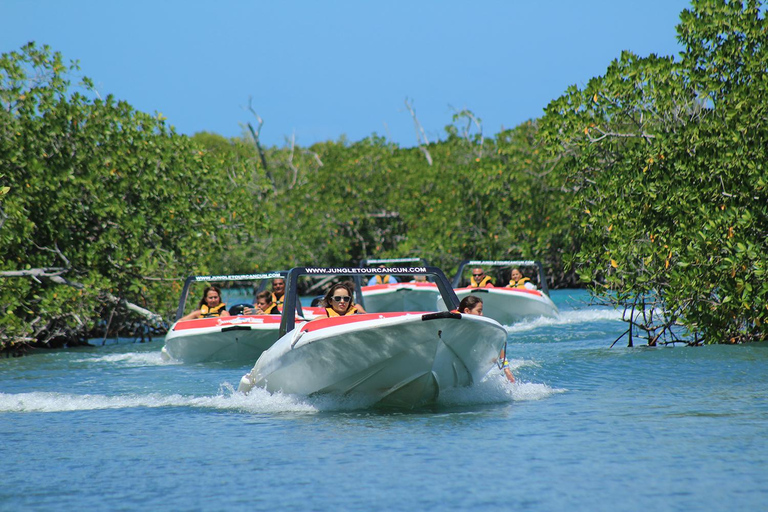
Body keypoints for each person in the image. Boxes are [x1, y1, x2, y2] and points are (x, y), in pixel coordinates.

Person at [458, 295, 515, 383]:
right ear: (467, 311)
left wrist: (506, 369)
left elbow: (498, 344)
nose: (482, 314)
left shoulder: (482, 327)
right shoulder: (453, 322)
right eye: (479, 311)